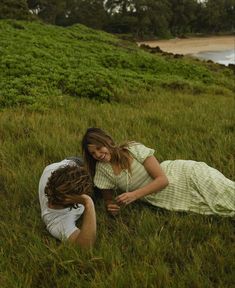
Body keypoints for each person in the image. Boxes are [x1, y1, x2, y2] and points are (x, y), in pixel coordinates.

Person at [81, 128, 235, 217]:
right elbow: (109, 200)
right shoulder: (102, 170)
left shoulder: (133, 149)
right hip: (161, 196)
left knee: (221, 190)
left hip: (180, 173)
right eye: (93, 154)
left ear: (107, 141)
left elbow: (163, 180)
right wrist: (111, 206)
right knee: (215, 208)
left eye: (99, 148)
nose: (98, 155)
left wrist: (134, 195)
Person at [38, 157, 96, 248]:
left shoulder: (52, 174)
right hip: (72, 165)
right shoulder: (57, 222)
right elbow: (85, 246)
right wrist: (89, 203)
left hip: (74, 162)